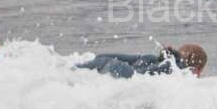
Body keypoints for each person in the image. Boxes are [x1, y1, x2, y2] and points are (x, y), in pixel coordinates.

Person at [75, 44, 207, 78]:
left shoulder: (155, 59)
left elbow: (101, 57)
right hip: (119, 70)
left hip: (104, 61)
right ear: (196, 70)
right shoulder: (176, 70)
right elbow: (136, 75)